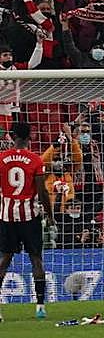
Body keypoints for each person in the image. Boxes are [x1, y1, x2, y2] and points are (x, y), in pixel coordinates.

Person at [0, 121, 54, 321]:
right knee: (36, 259)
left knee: (4, 260)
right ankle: (40, 306)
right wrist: (50, 215)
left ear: (12, 137)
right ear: (29, 137)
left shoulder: (2, 158)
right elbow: (42, 191)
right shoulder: (35, 160)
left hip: (7, 216)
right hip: (29, 217)